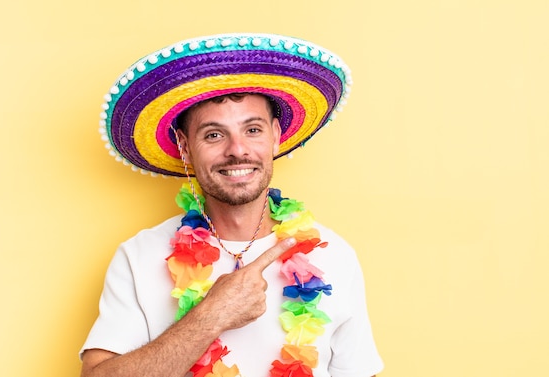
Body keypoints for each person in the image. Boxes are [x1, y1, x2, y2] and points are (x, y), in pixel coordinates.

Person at [81, 33, 383, 377]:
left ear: (275, 135)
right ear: (184, 146)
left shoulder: (335, 255)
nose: (237, 150)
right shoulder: (138, 257)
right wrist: (211, 315)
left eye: (252, 130)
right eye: (213, 134)